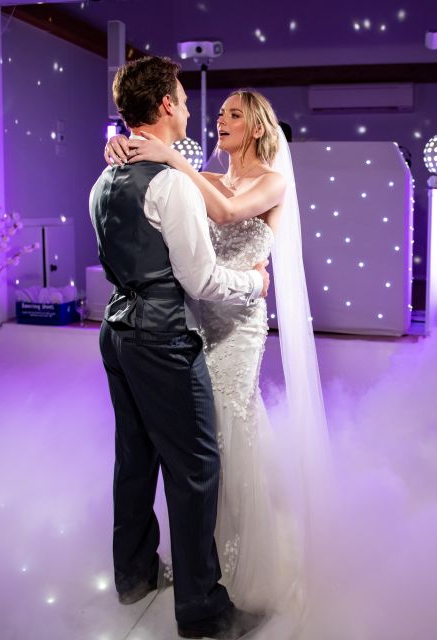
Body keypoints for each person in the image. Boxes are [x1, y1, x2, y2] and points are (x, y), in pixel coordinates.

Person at [105, 88, 330, 620]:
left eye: (233, 114)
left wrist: (167, 155)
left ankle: (238, 563)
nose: (220, 120)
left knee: (229, 432)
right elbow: (175, 205)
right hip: (194, 322)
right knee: (197, 446)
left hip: (240, 327)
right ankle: (201, 561)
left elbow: (228, 216)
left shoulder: (272, 183)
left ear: (255, 127)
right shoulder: (200, 179)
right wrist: (125, 148)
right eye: (220, 112)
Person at [91, 57, 269, 640]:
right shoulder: (169, 182)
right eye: (187, 99)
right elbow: (203, 281)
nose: (193, 109)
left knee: (134, 459)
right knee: (195, 469)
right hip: (163, 336)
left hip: (116, 332)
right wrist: (255, 284)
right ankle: (204, 612)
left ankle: (135, 577)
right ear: (166, 105)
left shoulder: (104, 179)